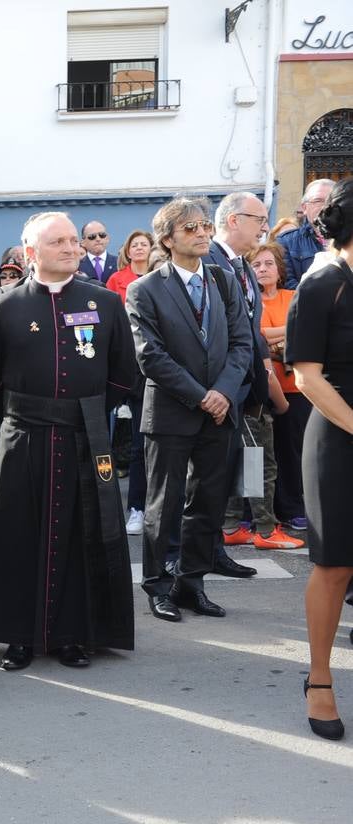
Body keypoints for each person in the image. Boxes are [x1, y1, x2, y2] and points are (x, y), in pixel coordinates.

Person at [0, 212, 138, 670]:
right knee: (14, 534)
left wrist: (86, 413)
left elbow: (124, 374)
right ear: (31, 253)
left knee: (83, 536)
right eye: (58, 241)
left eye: (72, 240)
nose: (71, 247)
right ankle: (16, 635)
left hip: (85, 434)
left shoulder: (104, 303)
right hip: (24, 435)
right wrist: (23, 417)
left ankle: (74, 635)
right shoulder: (5, 306)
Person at [126, 196, 251, 623]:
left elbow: (241, 343)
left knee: (207, 502)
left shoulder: (222, 279)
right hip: (172, 412)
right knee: (164, 503)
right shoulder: (144, 288)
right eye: (191, 228)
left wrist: (223, 393)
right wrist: (201, 395)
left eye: (204, 226)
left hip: (220, 410)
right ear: (168, 238)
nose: (202, 234)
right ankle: (159, 586)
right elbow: (151, 356)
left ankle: (191, 583)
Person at [285, 177, 353, 740]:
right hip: (337, 436)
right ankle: (320, 677)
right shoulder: (324, 281)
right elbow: (307, 378)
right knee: (335, 565)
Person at [207, 193, 303, 551]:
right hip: (229, 387)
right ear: (233, 220)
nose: (265, 226)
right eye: (259, 218)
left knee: (251, 461)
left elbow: (252, 329)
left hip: (251, 388)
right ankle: (263, 528)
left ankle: (242, 526)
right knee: (255, 462)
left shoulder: (240, 266)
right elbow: (234, 333)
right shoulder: (211, 261)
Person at [255, 242, 309, 531]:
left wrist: (275, 341)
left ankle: (292, 508)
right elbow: (257, 335)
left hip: (297, 388)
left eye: (268, 264)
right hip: (263, 390)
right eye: (257, 265)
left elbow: (308, 326)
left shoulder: (293, 296)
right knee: (263, 456)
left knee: (292, 452)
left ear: (279, 270)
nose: (263, 270)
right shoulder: (250, 300)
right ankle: (261, 512)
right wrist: (289, 332)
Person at [104, 229, 154, 536]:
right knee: (138, 444)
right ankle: (136, 507)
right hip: (134, 369)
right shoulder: (116, 280)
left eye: (143, 244)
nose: (139, 248)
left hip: (163, 370)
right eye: (134, 244)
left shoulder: (162, 277)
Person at [279, 179, 335, 288]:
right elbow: (286, 283)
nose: (325, 206)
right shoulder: (286, 241)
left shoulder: (348, 240)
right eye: (318, 201)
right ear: (305, 207)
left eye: (330, 201)